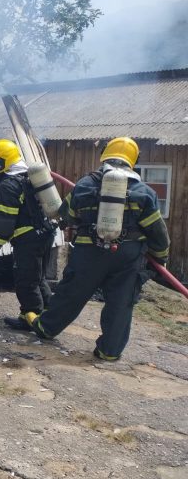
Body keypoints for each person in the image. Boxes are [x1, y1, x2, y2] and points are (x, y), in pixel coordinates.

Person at [15, 137, 170, 361]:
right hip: (127, 257)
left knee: (71, 293)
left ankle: (46, 328)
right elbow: (157, 232)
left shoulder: (85, 185)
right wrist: (160, 257)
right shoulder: (144, 192)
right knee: (120, 302)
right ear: (133, 161)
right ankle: (109, 351)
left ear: (105, 155)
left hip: (89, 252)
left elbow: (67, 216)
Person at [0, 139, 57, 329]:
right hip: (46, 235)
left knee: (26, 282)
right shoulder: (29, 177)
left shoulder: (8, 186)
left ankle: (32, 319)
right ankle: (51, 314)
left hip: (28, 241)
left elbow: (5, 228)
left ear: (1, 164)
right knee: (38, 278)